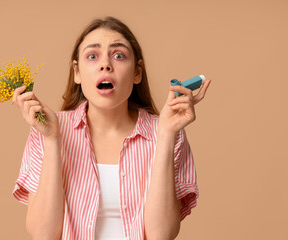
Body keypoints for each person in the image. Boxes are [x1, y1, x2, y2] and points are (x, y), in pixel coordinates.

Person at [12, 16, 211, 240]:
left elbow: (161, 235)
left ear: (137, 73)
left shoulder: (168, 132)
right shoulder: (48, 128)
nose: (105, 64)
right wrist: (52, 139)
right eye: (92, 56)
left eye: (118, 55)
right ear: (77, 72)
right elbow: (43, 234)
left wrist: (165, 134)